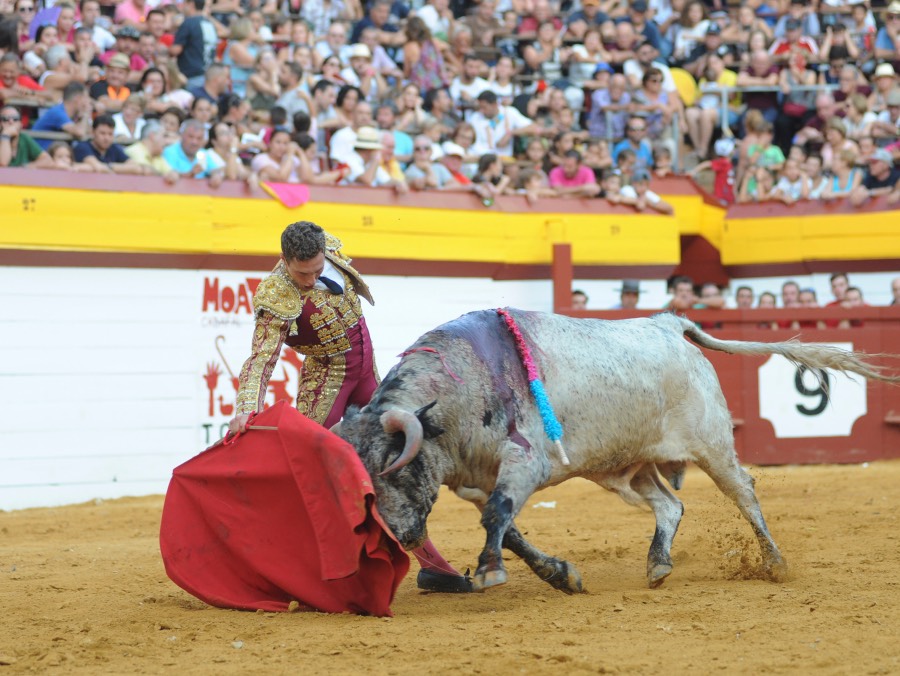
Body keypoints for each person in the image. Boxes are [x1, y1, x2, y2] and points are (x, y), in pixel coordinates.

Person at [229, 221, 473, 594]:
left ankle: (432, 565)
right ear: (284, 261)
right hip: (326, 384)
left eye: (315, 270)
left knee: (392, 465)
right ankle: (276, 564)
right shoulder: (276, 295)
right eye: (301, 273)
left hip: (367, 375)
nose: (310, 280)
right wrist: (247, 406)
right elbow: (261, 359)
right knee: (306, 476)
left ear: (324, 252)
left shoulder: (329, 245)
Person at [169, 0, 218, 90]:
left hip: (192, 76)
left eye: (184, 4)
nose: (182, 7)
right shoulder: (210, 24)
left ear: (191, 4)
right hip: (208, 75)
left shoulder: (188, 22)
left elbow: (176, 50)